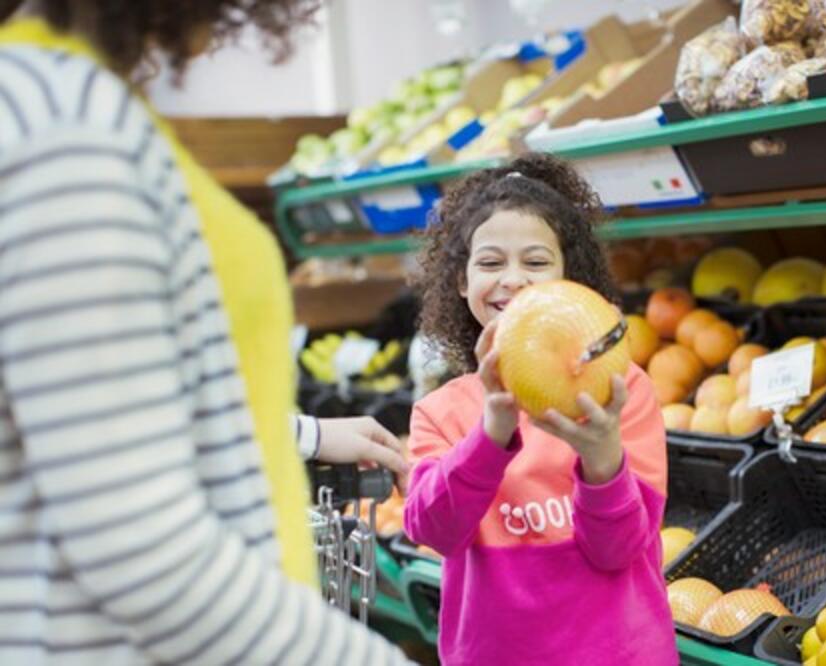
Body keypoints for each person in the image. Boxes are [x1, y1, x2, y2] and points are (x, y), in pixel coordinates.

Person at [0, 2, 411, 663]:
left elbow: (103, 420)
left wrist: (304, 434)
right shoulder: (68, 133)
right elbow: (143, 550)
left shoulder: (55, 103)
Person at [404, 152, 679, 665]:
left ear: (569, 279)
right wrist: (491, 433)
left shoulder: (618, 390)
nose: (513, 280)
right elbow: (433, 530)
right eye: (489, 263)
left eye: (535, 262)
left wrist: (602, 462)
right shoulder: (441, 411)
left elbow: (618, 551)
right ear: (462, 282)